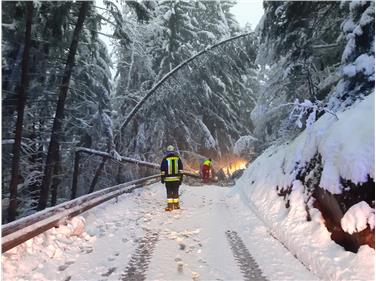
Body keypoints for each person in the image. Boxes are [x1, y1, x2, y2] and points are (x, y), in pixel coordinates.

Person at [160, 145, 183, 211]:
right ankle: (176, 205)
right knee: (176, 192)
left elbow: (162, 170)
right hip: (176, 179)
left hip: (168, 180)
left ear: (167, 151)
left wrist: (162, 178)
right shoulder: (177, 159)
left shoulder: (165, 159)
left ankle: (170, 207)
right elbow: (181, 169)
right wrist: (181, 178)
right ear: (173, 151)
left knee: (169, 192)